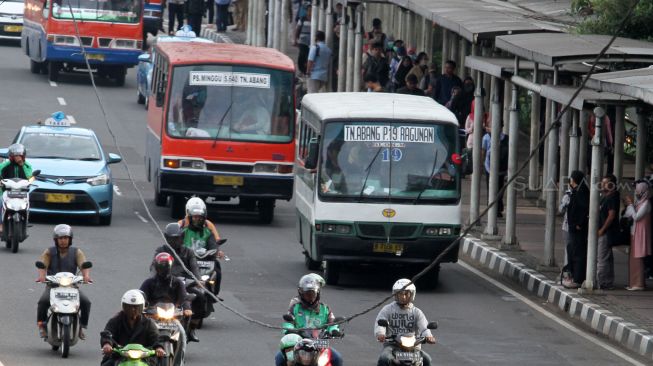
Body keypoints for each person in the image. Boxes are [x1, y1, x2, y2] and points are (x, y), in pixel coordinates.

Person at [36, 224, 92, 339]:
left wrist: (86, 276)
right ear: (56, 240)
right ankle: (42, 325)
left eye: (66, 238)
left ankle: (81, 326)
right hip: (53, 287)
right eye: (60, 238)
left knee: (86, 302)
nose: (63, 241)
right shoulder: (49, 252)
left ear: (70, 239)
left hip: (72, 287)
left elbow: (84, 265)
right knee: (43, 301)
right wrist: (42, 277)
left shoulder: (76, 252)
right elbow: (42, 265)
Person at [153, 223, 204, 341]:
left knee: (201, 298)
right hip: (164, 284)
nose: (173, 241)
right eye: (170, 238)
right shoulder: (161, 250)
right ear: (166, 238)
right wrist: (155, 278)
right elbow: (153, 267)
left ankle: (191, 329)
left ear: (182, 237)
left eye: (176, 238)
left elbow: (194, 267)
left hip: (184, 285)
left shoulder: (188, 252)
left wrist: (198, 280)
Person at [279, 274, 343, 366]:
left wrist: (334, 330)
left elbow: (332, 323)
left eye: (312, 294)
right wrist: (290, 330)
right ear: (301, 293)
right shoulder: (295, 308)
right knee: (280, 358)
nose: (310, 297)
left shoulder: (325, 309)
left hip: (319, 344)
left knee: (337, 358)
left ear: (317, 293)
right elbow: (289, 322)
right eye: (307, 294)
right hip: (299, 344)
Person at [374, 279, 435, 366]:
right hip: (392, 345)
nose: (403, 297)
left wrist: (428, 336)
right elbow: (380, 322)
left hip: (413, 346)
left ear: (412, 294)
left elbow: (424, 327)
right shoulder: (388, 309)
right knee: (384, 358)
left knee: (427, 359)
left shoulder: (416, 312)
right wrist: (380, 334)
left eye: (406, 294)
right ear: (395, 294)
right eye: (400, 294)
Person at [141, 252, 191, 354]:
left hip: (173, 314)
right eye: (161, 266)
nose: (163, 269)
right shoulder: (149, 282)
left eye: (166, 266)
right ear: (156, 267)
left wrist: (187, 308)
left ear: (170, 266)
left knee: (183, 330)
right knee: (141, 329)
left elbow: (184, 297)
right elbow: (141, 297)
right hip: (153, 314)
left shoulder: (178, 282)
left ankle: (183, 343)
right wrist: (141, 308)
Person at [100, 290, 165, 366]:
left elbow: (156, 338)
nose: (133, 310)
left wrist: (159, 348)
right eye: (129, 307)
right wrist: (107, 344)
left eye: (136, 307)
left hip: (145, 357)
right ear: (124, 306)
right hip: (119, 356)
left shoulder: (148, 323)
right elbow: (107, 333)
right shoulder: (115, 321)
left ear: (142, 307)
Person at [178, 197, 225, 296]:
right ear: (190, 216)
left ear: (204, 217)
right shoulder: (183, 230)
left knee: (217, 268)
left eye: (200, 217)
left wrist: (216, 251)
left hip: (205, 258)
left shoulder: (208, 231)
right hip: (186, 259)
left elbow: (214, 243)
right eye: (195, 217)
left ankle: (213, 293)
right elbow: (175, 242)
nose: (197, 219)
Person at [562, 170, 590, 288]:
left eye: (572, 179)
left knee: (578, 253)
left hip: (577, 229)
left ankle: (578, 278)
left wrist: (579, 223)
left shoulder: (582, 192)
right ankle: (573, 275)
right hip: (573, 227)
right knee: (572, 251)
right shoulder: (576, 191)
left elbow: (584, 209)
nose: (570, 181)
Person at [623, 181, 652, 290]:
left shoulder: (646, 204)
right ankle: (633, 283)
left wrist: (630, 204)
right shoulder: (640, 202)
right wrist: (630, 205)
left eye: (638, 190)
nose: (636, 192)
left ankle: (638, 284)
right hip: (635, 233)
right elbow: (629, 214)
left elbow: (637, 217)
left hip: (641, 234)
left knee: (638, 258)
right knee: (634, 259)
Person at [597, 174, 620, 290]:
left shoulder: (612, 197)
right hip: (604, 231)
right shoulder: (606, 196)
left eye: (605, 182)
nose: (602, 184)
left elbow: (611, 216)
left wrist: (602, 229)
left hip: (606, 232)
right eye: (602, 182)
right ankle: (608, 281)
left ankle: (602, 282)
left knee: (602, 258)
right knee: (607, 257)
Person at [481, 120, 508, 217]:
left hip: (490, 168)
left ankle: (493, 208)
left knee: (491, 189)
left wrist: (481, 164)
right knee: (500, 189)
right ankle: (498, 209)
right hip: (500, 170)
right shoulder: (506, 138)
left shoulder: (486, 137)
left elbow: (483, 152)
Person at [293, 2, 312, 76]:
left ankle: (306, 71)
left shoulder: (315, 19)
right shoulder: (302, 19)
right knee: (302, 56)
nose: (310, 12)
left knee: (308, 57)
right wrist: (295, 39)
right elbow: (297, 29)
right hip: (303, 41)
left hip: (311, 41)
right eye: (309, 10)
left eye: (311, 10)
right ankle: (301, 70)